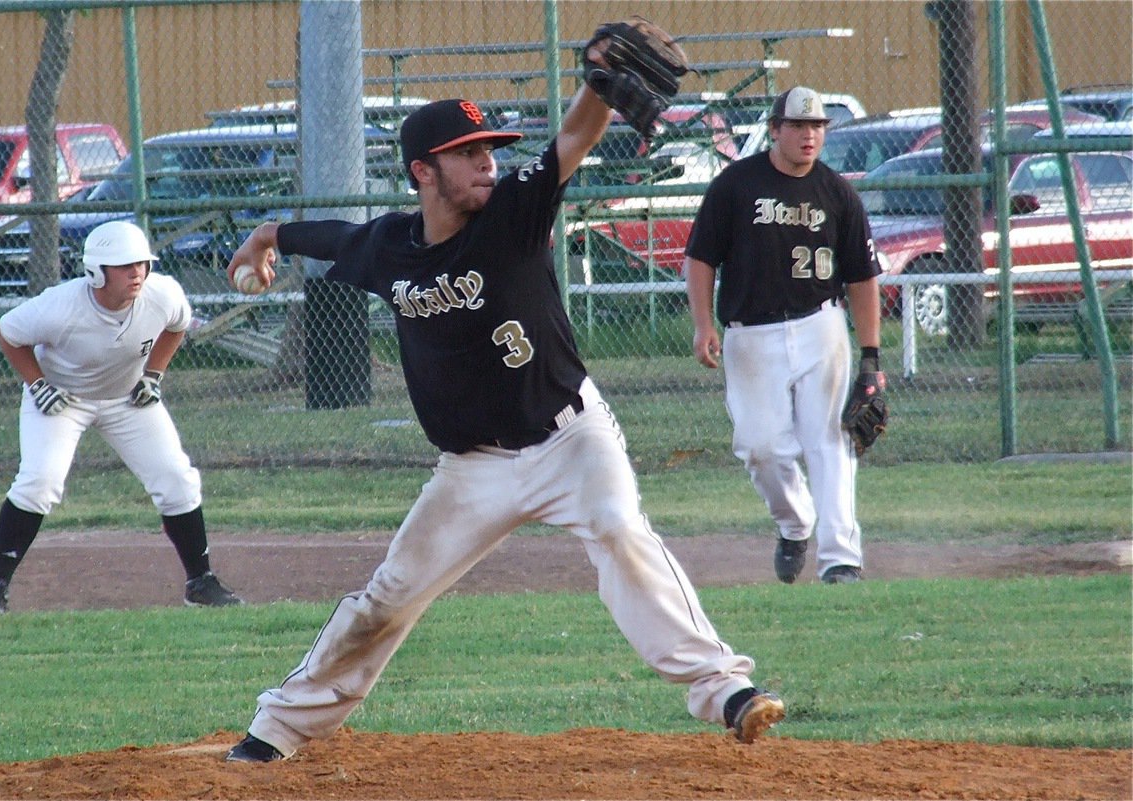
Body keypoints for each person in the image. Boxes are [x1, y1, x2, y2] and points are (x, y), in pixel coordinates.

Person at [221, 43, 785, 764]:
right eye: (467, 152)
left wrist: (598, 86)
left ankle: (724, 689)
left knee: (619, 527)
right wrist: (266, 235)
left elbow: (573, 139)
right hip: (472, 469)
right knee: (388, 596)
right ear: (424, 171)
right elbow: (329, 236)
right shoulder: (390, 247)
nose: (488, 160)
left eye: (490, 147)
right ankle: (277, 729)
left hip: (568, 439)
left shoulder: (513, 213)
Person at [0, 220, 242, 615]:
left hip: (126, 398)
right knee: (39, 481)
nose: (137, 273)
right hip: (63, 399)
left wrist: (153, 374)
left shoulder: (162, 293)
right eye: (125, 265)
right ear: (96, 271)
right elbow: (8, 333)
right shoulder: (60, 305)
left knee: (176, 478)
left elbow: (177, 326)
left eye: (142, 264)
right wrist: (38, 383)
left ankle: (201, 582)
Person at [682, 86, 884, 586]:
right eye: (797, 125)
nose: (809, 135)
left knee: (831, 441)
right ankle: (795, 525)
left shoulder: (838, 193)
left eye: (816, 126)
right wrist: (703, 324)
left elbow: (862, 277)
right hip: (751, 335)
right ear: (774, 129)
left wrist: (871, 355)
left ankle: (840, 559)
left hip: (821, 326)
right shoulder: (736, 185)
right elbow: (700, 258)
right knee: (760, 448)